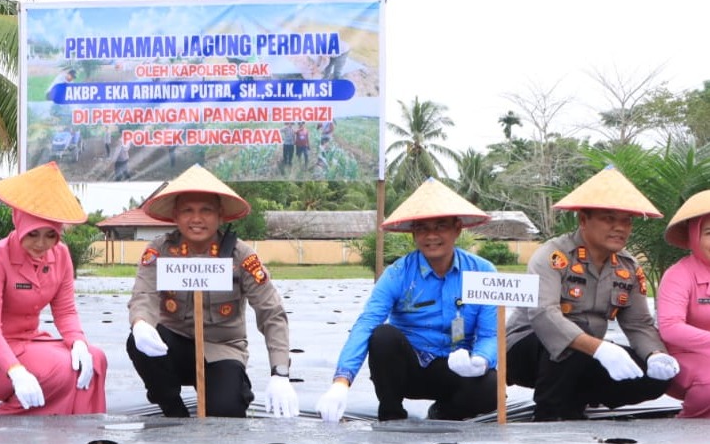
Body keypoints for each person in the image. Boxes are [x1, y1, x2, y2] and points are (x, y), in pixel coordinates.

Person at [317, 178, 499, 423]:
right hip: (408, 368)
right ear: (413, 233)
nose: (431, 236)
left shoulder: (483, 272)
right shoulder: (398, 274)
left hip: (456, 366)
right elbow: (367, 323)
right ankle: (391, 413)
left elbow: (490, 333)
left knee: (491, 386)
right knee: (382, 336)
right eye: (422, 228)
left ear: (457, 228)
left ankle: (445, 412)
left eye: (440, 226)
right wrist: (341, 381)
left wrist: (480, 360)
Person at [505, 166, 679, 421]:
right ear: (583, 220)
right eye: (609, 218)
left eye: (626, 221)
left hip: (586, 352)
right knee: (569, 347)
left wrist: (655, 355)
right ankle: (549, 415)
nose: (620, 228)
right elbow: (544, 314)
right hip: (527, 349)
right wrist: (599, 349)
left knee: (653, 378)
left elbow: (638, 323)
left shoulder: (628, 267)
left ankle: (578, 398)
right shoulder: (553, 256)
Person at [126, 164, 299, 418]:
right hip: (172, 344)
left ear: (221, 216)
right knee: (137, 342)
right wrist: (140, 323)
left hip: (222, 347)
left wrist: (280, 373)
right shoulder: (160, 250)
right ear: (175, 215)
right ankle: (172, 409)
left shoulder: (242, 256)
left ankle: (232, 387)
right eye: (187, 210)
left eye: (206, 210)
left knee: (226, 413)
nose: (196, 219)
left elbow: (271, 312)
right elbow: (144, 294)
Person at [0, 162, 107, 415]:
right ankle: (8, 421)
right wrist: (15, 370)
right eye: (33, 234)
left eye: (50, 235)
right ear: (19, 224)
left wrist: (79, 343)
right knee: (60, 370)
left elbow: (66, 311)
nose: (42, 244)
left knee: (95, 359)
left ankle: (82, 432)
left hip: (30, 342)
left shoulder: (60, 255)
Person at [655, 190, 710, 418]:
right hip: (683, 358)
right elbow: (670, 327)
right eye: (709, 232)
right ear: (694, 236)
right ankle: (687, 425)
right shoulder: (679, 275)